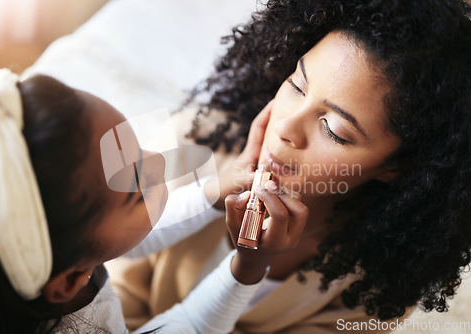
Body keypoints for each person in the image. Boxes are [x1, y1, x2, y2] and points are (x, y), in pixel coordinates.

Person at [109, 0, 471, 332]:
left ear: (396, 167)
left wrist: (249, 270)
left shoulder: (382, 281)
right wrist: (211, 196)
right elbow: (103, 288)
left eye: (334, 130)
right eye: (297, 86)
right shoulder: (187, 141)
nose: (284, 129)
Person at [0, 69, 308, 333]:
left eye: (133, 143)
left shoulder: (57, 251)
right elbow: (190, 326)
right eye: (136, 188)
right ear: (70, 282)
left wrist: (214, 193)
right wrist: (247, 269)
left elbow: (133, 238)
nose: (159, 161)